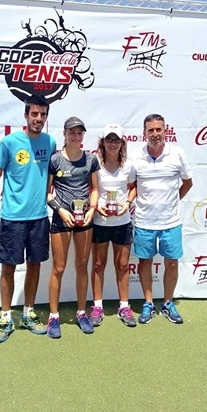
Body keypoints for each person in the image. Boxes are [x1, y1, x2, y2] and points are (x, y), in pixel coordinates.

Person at [0, 95, 56, 343]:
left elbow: (51, 175)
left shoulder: (51, 142)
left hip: (39, 217)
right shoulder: (9, 142)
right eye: (34, 114)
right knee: (9, 267)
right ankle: (6, 316)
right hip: (12, 217)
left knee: (35, 265)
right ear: (26, 115)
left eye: (43, 115)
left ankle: (28, 312)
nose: (38, 119)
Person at [133, 114, 193, 324]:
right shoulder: (136, 156)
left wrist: (172, 202)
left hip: (171, 222)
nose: (155, 134)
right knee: (144, 262)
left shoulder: (177, 153)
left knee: (173, 264)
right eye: (151, 130)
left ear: (165, 130)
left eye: (159, 129)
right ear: (144, 133)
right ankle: (148, 303)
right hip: (144, 221)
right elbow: (132, 187)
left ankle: (168, 303)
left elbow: (187, 183)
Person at [47, 116, 99, 338]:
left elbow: (95, 189)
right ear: (65, 134)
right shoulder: (55, 160)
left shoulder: (91, 160)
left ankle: (81, 312)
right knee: (58, 268)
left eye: (79, 133)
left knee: (82, 265)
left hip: (85, 221)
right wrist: (60, 210)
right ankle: (53, 317)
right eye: (72, 133)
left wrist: (92, 209)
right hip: (61, 219)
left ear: (83, 136)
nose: (76, 137)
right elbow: (47, 193)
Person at [90, 123, 137, 327]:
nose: (112, 143)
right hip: (100, 221)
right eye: (109, 139)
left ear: (122, 142)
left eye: (116, 140)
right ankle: (98, 306)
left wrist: (127, 203)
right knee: (98, 265)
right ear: (102, 142)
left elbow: (133, 188)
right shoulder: (94, 164)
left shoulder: (129, 165)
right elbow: (90, 188)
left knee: (123, 265)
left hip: (122, 222)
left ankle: (124, 306)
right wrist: (96, 206)